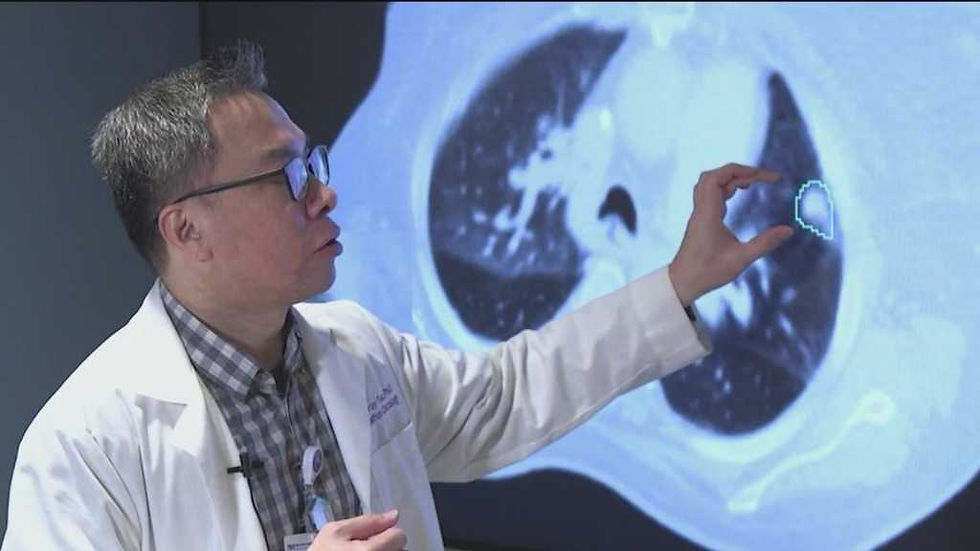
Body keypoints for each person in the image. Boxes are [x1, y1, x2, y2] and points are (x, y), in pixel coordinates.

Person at [1, 41, 794, 551]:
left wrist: (681, 280)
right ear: (186, 230)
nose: (326, 195)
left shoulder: (355, 348)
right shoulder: (85, 444)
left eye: (314, 163)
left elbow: (507, 396)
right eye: (289, 177)